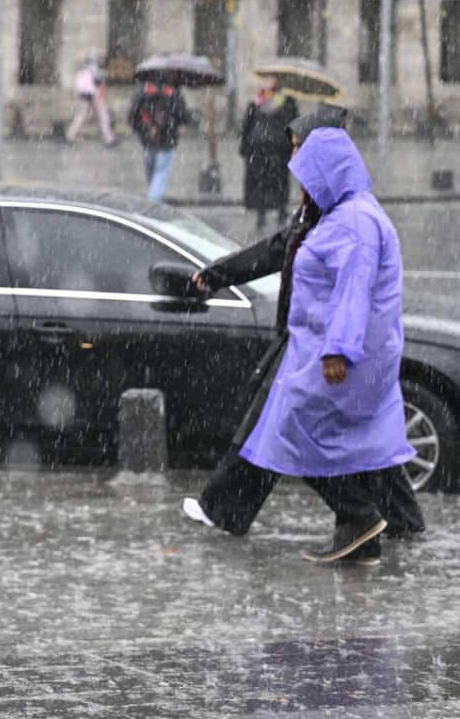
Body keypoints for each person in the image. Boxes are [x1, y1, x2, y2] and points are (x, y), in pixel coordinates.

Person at [180, 105, 425, 550]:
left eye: (302, 157)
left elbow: (354, 290)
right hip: (312, 344)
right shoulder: (327, 212)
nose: (297, 174)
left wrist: (339, 349)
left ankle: (359, 520)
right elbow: (276, 252)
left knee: (292, 429)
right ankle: (384, 528)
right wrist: (216, 275)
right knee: (354, 441)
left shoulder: (350, 220)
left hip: (328, 351)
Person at [240, 77, 298, 230]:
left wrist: (244, 148)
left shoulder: (256, 102)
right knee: (280, 180)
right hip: (279, 148)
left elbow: (246, 126)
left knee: (261, 181)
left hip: (257, 148)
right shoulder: (286, 102)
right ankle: (281, 210)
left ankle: (261, 214)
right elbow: (294, 124)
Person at [128, 80, 190, 203]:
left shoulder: (143, 92)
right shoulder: (173, 93)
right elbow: (183, 116)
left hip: (148, 143)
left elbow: (132, 118)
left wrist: (146, 129)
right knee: (160, 175)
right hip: (166, 142)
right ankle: (153, 204)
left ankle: (154, 200)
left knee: (153, 177)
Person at [65, 52, 115, 146]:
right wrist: (105, 75)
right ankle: (109, 138)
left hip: (86, 96)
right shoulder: (95, 68)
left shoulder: (84, 70)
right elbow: (100, 79)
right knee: (104, 116)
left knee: (82, 116)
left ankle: (70, 134)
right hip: (95, 95)